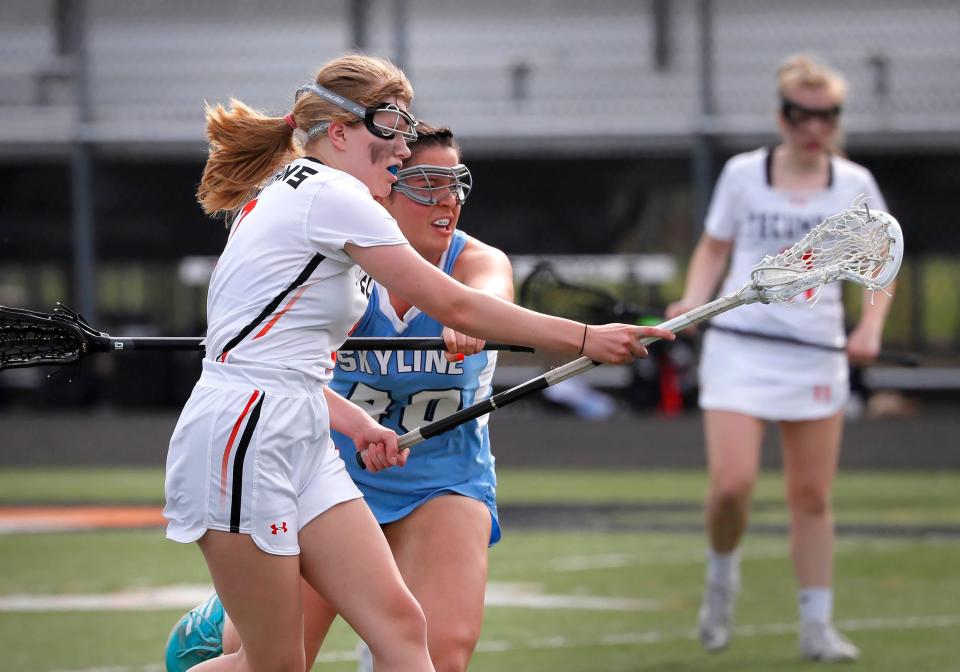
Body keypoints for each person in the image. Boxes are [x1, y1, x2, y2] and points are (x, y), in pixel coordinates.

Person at [163, 53, 673, 672]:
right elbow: (451, 300)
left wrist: (359, 424)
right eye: (391, 127)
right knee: (275, 665)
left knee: (405, 630)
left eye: (404, 129)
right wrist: (585, 337)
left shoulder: (301, 190)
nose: (403, 148)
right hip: (247, 435)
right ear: (342, 132)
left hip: (299, 425)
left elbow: (284, 362)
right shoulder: (333, 195)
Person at [666, 53, 895, 663]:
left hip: (814, 354)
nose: (812, 126)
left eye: (826, 116)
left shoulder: (854, 185)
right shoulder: (743, 174)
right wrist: (692, 301)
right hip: (741, 348)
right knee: (733, 487)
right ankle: (722, 578)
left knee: (812, 496)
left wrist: (869, 327)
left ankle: (817, 625)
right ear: (782, 115)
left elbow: (878, 268)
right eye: (799, 114)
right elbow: (713, 248)